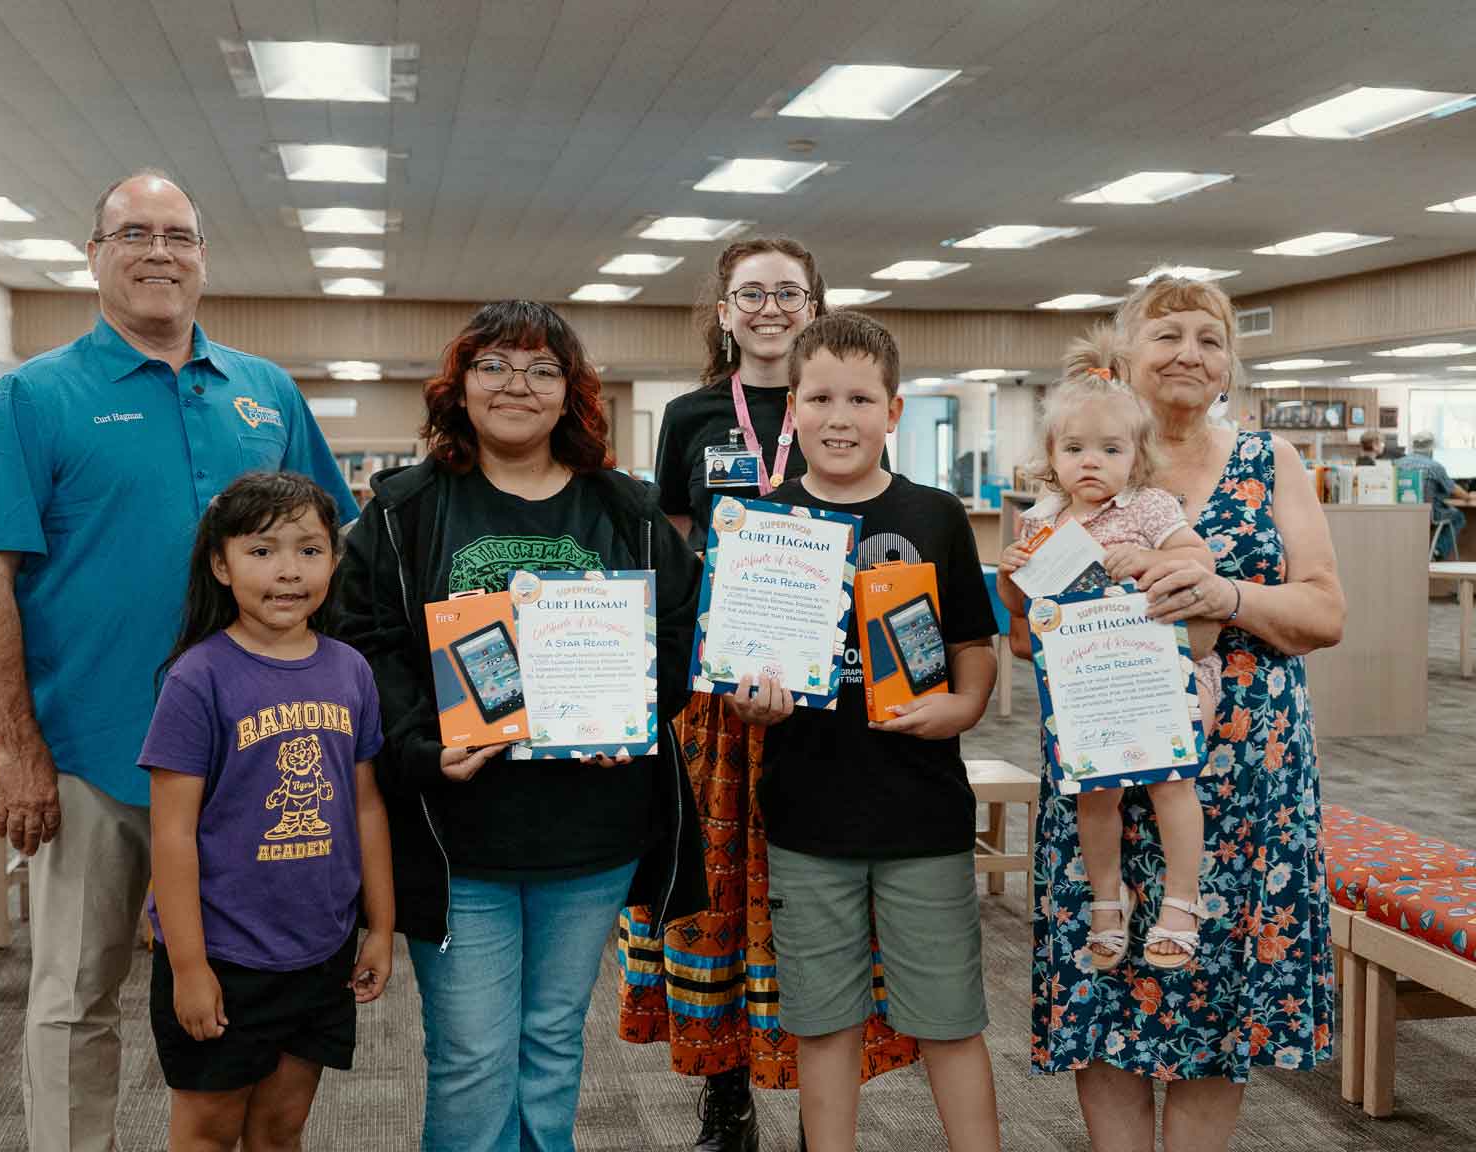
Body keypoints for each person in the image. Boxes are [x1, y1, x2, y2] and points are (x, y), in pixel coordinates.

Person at [0, 169, 356, 1152]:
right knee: (75, 992)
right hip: (95, 748)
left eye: (179, 234)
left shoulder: (265, 394)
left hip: (251, 763)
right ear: (95, 256)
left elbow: (332, 552)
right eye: (133, 233)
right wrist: (15, 749)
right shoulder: (33, 397)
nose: (158, 251)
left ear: (204, 257)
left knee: (263, 983)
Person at [332, 300, 708, 1152]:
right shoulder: (405, 508)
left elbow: (681, 632)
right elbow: (365, 643)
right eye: (494, 365)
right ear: (459, 387)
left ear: (569, 394)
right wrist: (424, 746)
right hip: (460, 833)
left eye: (542, 370)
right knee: (471, 1056)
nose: (517, 385)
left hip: (592, 829)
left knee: (550, 1044)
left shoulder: (627, 510)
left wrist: (640, 712)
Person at [1028, 275, 1345, 1152]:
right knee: (1105, 989)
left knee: (1218, 995)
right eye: (1167, 334)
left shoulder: (1268, 461)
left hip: (1244, 780)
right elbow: (1026, 635)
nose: (1189, 354)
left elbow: (1325, 613)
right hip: (1105, 762)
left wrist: (1227, 593)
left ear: (1230, 363)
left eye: (1210, 339)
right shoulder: (1084, 465)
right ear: (1124, 353)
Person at [629, 237, 917, 1151]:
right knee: (716, 891)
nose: (768, 307)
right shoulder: (689, 415)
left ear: (815, 304)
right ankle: (726, 1094)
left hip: (830, 686)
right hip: (718, 694)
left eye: (788, 292)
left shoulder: (842, 401)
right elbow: (673, 552)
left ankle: (824, 1108)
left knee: (824, 889)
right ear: (722, 310)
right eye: (749, 293)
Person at [736, 312, 1000, 1152]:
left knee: (950, 1019)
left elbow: (973, 646)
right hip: (807, 816)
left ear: (894, 411)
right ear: (793, 412)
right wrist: (750, 704)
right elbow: (739, 670)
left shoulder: (936, 514)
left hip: (921, 812)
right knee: (823, 1023)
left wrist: (963, 707)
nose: (838, 415)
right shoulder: (758, 525)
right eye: (819, 397)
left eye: (861, 398)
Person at [142, 472, 392, 1151]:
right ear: (221, 565)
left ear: (335, 562)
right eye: (262, 551)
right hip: (224, 955)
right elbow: (171, 834)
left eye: (310, 550)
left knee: (281, 1129)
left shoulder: (350, 670)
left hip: (318, 949)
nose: (289, 572)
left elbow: (366, 806)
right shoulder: (199, 677)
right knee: (209, 1132)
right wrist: (189, 967)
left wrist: (380, 924)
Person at [995, 328, 1223, 975]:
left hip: (1161, 677)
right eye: (1074, 449)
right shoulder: (1043, 518)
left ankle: (1182, 899)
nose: (1090, 462)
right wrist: (1013, 569)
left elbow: (1198, 561)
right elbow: (1020, 608)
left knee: (1171, 780)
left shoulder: (1150, 507)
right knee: (1096, 795)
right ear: (1051, 455)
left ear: (1137, 455)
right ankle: (1107, 898)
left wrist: (1151, 557)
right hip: (1087, 686)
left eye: (1109, 449)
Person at [1397, 432, 1470, 559]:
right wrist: (1469, 496)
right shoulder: (1435, 466)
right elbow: (1455, 491)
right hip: (1429, 514)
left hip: (1401, 513)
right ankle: (1437, 552)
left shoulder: (1396, 463)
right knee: (1458, 517)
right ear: (1432, 448)